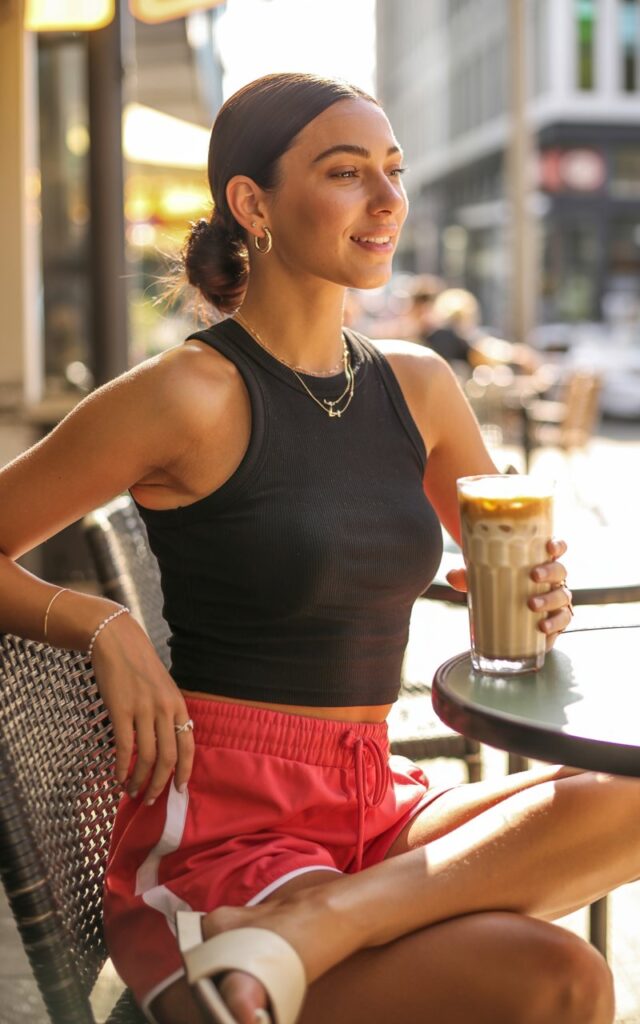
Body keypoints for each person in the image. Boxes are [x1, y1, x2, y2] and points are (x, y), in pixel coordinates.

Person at [0, 71, 632, 1024]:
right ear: (252, 204)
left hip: (375, 793)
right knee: (561, 981)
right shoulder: (188, 393)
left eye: (394, 170)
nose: (388, 202)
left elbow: (510, 559)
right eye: (346, 173)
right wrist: (99, 624)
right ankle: (278, 936)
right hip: (229, 824)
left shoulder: (419, 385)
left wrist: (540, 596)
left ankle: (321, 925)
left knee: (625, 795)